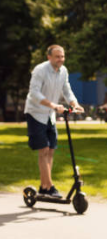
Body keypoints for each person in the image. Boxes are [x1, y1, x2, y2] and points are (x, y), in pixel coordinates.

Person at [24, 44, 84, 198]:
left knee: (51, 150)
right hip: (36, 113)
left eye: (62, 56)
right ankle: (49, 187)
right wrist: (53, 105)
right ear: (49, 57)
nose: (61, 59)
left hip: (50, 114)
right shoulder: (40, 70)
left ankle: (44, 187)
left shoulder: (63, 71)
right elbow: (34, 93)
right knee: (43, 150)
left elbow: (66, 89)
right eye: (57, 56)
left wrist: (75, 104)